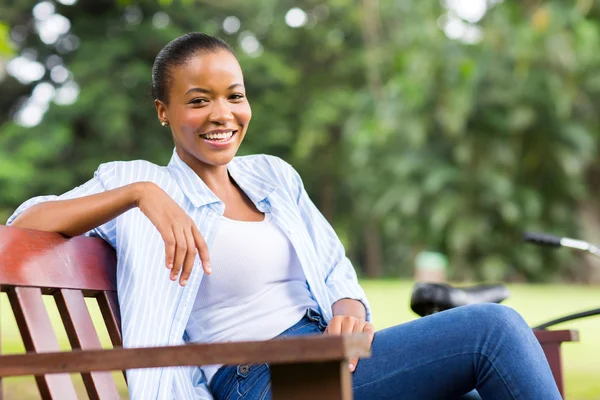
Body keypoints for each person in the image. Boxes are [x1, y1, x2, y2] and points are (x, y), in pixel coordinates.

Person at [7, 32, 561, 400]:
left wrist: (347, 302)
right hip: (261, 379)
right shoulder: (141, 183)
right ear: (164, 111)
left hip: (325, 355)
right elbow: (25, 224)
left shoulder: (272, 175)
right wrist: (137, 197)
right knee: (495, 331)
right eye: (198, 100)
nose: (222, 114)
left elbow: (334, 266)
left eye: (234, 96)